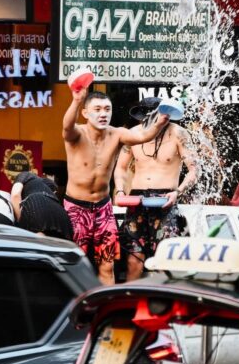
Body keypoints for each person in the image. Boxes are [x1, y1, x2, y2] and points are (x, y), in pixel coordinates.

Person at [63, 86, 169, 284]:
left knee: (107, 264)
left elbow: (143, 137)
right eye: (97, 109)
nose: (103, 114)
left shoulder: (117, 134)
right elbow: (67, 128)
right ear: (85, 113)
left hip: (103, 209)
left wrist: (161, 121)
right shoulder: (77, 133)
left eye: (107, 109)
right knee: (74, 264)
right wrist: (76, 101)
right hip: (76, 208)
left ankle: (106, 302)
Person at [114, 97, 197, 281]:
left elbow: (194, 169)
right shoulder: (134, 134)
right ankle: (133, 298)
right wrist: (120, 190)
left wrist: (178, 192)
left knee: (164, 258)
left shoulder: (178, 133)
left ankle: (161, 298)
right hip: (137, 200)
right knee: (134, 260)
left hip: (166, 199)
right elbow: (120, 168)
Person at [10, 171, 74, 240]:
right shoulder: (48, 184)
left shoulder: (25, 175)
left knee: (37, 243)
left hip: (36, 204)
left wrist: (20, 223)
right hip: (60, 212)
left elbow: (15, 194)